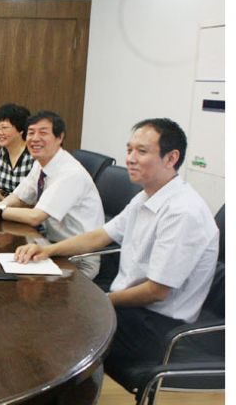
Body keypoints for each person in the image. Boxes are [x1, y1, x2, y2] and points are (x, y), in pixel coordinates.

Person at [13, 118, 218, 387]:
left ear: (171, 158)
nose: (130, 158)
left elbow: (157, 291)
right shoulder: (145, 196)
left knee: (58, 329)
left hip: (158, 326)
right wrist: (47, 249)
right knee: (47, 312)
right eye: (129, 149)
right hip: (129, 307)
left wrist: (101, 301)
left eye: (141, 151)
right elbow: (101, 235)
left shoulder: (183, 212)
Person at [0, 110, 104, 278]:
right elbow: (19, 197)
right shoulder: (41, 164)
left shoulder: (70, 173)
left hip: (78, 258)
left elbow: (36, 217)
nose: (35, 138)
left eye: (43, 133)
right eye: (31, 133)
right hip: (48, 245)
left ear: (59, 137)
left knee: (19, 284)